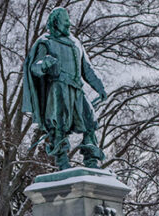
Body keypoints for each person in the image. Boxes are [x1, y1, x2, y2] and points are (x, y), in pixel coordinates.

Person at [23, 7, 107, 170]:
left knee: (90, 121)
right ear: (55, 22)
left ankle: (91, 160)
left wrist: (100, 87)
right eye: (65, 20)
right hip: (58, 88)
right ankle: (62, 161)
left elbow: (87, 69)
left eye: (68, 20)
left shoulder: (76, 43)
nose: (69, 23)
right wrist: (44, 64)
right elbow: (34, 67)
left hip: (76, 89)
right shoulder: (46, 42)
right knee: (59, 125)